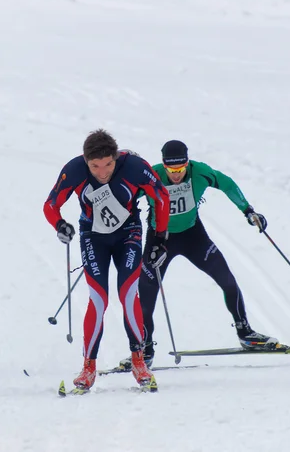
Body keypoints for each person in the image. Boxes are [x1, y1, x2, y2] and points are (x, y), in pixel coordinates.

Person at [120, 139, 278, 370]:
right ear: (163, 166)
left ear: (187, 163)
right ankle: (145, 350)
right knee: (146, 297)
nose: (176, 174)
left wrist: (248, 210)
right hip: (159, 240)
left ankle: (245, 332)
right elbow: (128, 196)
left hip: (193, 235)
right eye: (171, 170)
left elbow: (227, 184)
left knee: (228, 281)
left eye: (181, 169)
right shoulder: (152, 174)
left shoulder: (200, 172)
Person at [43, 129, 170, 391]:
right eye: (95, 166)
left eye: (108, 164)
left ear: (116, 157)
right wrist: (59, 225)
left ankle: (139, 361)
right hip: (93, 236)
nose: (102, 172)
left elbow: (161, 197)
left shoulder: (134, 166)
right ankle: (88, 367)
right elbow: (50, 204)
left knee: (128, 293)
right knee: (98, 299)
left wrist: (159, 238)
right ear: (86, 161)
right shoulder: (75, 169)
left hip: (129, 233)